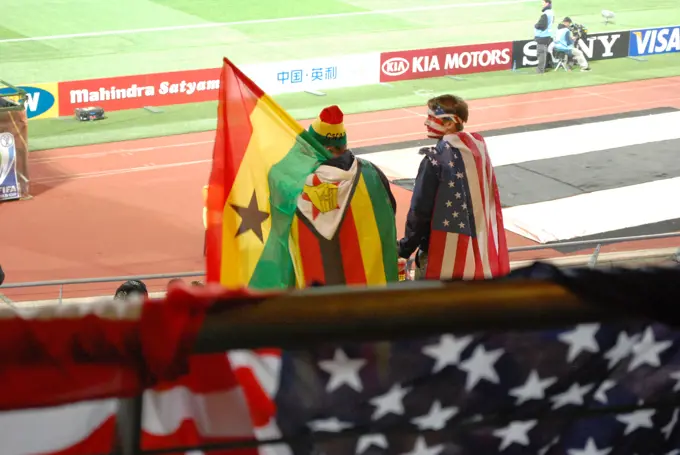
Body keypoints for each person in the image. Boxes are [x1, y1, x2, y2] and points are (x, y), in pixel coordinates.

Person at [397, 95, 510, 280]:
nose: (426, 122)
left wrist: (405, 248)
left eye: (431, 117)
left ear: (450, 123)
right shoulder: (478, 150)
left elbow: (420, 211)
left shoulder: (434, 160)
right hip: (476, 252)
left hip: (439, 254)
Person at [288, 105, 399, 287]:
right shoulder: (372, 174)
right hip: (368, 290)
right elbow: (390, 216)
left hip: (316, 293)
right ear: (344, 144)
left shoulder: (295, 183)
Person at [534, 0, 555, 74]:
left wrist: (536, 25)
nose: (542, 3)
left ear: (547, 3)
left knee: (541, 53)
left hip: (542, 36)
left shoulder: (545, 14)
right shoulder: (551, 12)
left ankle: (540, 70)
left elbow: (541, 25)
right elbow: (552, 22)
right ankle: (545, 67)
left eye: (543, 2)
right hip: (547, 35)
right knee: (544, 52)